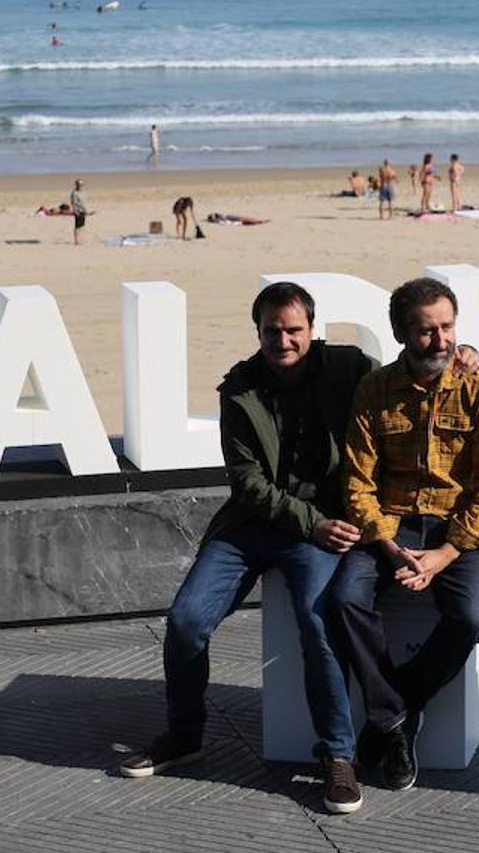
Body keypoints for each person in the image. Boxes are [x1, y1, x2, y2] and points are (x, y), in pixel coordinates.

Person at [118, 283, 371, 814]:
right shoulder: (238, 388)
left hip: (318, 527)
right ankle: (184, 736)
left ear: (312, 329)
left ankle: (338, 756)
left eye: (293, 330)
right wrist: (313, 522)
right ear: (258, 332)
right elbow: (248, 484)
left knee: (316, 619)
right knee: (186, 619)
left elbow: (405, 381)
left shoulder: (349, 367)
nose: (283, 340)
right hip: (254, 523)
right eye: (272, 331)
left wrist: (464, 355)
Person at [330, 278, 479, 793]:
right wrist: (390, 546)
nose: (441, 341)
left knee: (469, 619)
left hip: (457, 528)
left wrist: (443, 554)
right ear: (400, 333)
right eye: (426, 331)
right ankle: (391, 717)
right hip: (390, 525)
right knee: (343, 598)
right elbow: (358, 484)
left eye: (448, 327)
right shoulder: (375, 389)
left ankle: (399, 706)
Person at [69, 179, 87, 245]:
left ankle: (81, 239)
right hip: (78, 211)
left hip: (83, 210)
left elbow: (84, 202)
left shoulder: (83, 192)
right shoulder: (74, 193)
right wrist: (75, 210)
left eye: (82, 184)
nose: (81, 186)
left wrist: (85, 209)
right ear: (76, 185)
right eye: (79, 184)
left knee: (82, 226)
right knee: (77, 226)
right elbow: (73, 202)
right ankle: (76, 241)